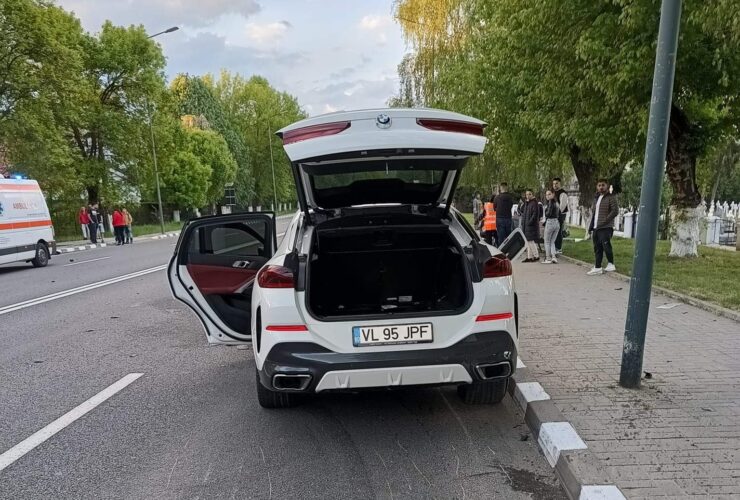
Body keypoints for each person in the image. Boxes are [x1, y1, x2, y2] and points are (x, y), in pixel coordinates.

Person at [587, 178, 619, 275]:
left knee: (606, 245)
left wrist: (605, 220)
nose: (601, 187)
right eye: (599, 185)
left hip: (606, 227)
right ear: (597, 187)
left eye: (603, 185)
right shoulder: (597, 198)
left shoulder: (611, 197)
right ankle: (597, 267)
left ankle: (611, 264)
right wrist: (591, 227)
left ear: (607, 186)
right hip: (596, 227)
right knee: (597, 248)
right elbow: (594, 214)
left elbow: (615, 211)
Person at [542, 190, 561, 264]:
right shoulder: (556, 203)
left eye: (549, 194)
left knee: (547, 241)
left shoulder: (550, 203)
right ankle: (553, 257)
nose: (547, 196)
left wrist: (546, 213)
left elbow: (548, 214)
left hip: (550, 222)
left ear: (553, 194)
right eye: (546, 194)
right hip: (556, 222)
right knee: (552, 241)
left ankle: (548, 258)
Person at [552, 177, 569, 254]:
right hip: (554, 215)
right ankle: (554, 247)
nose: (555, 185)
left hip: (560, 215)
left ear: (560, 184)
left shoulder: (563, 193)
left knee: (558, 231)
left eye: (556, 183)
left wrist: (557, 214)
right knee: (554, 231)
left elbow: (562, 206)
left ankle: (558, 248)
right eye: (553, 184)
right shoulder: (554, 193)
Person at [522, 190, 540, 262]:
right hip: (527, 225)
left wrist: (530, 222)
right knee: (528, 241)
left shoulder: (534, 203)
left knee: (530, 241)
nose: (528, 196)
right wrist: (526, 203)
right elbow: (523, 211)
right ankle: (529, 257)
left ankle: (536, 256)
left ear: (533, 195)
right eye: (526, 194)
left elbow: (535, 214)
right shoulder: (528, 203)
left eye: (529, 194)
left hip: (531, 225)